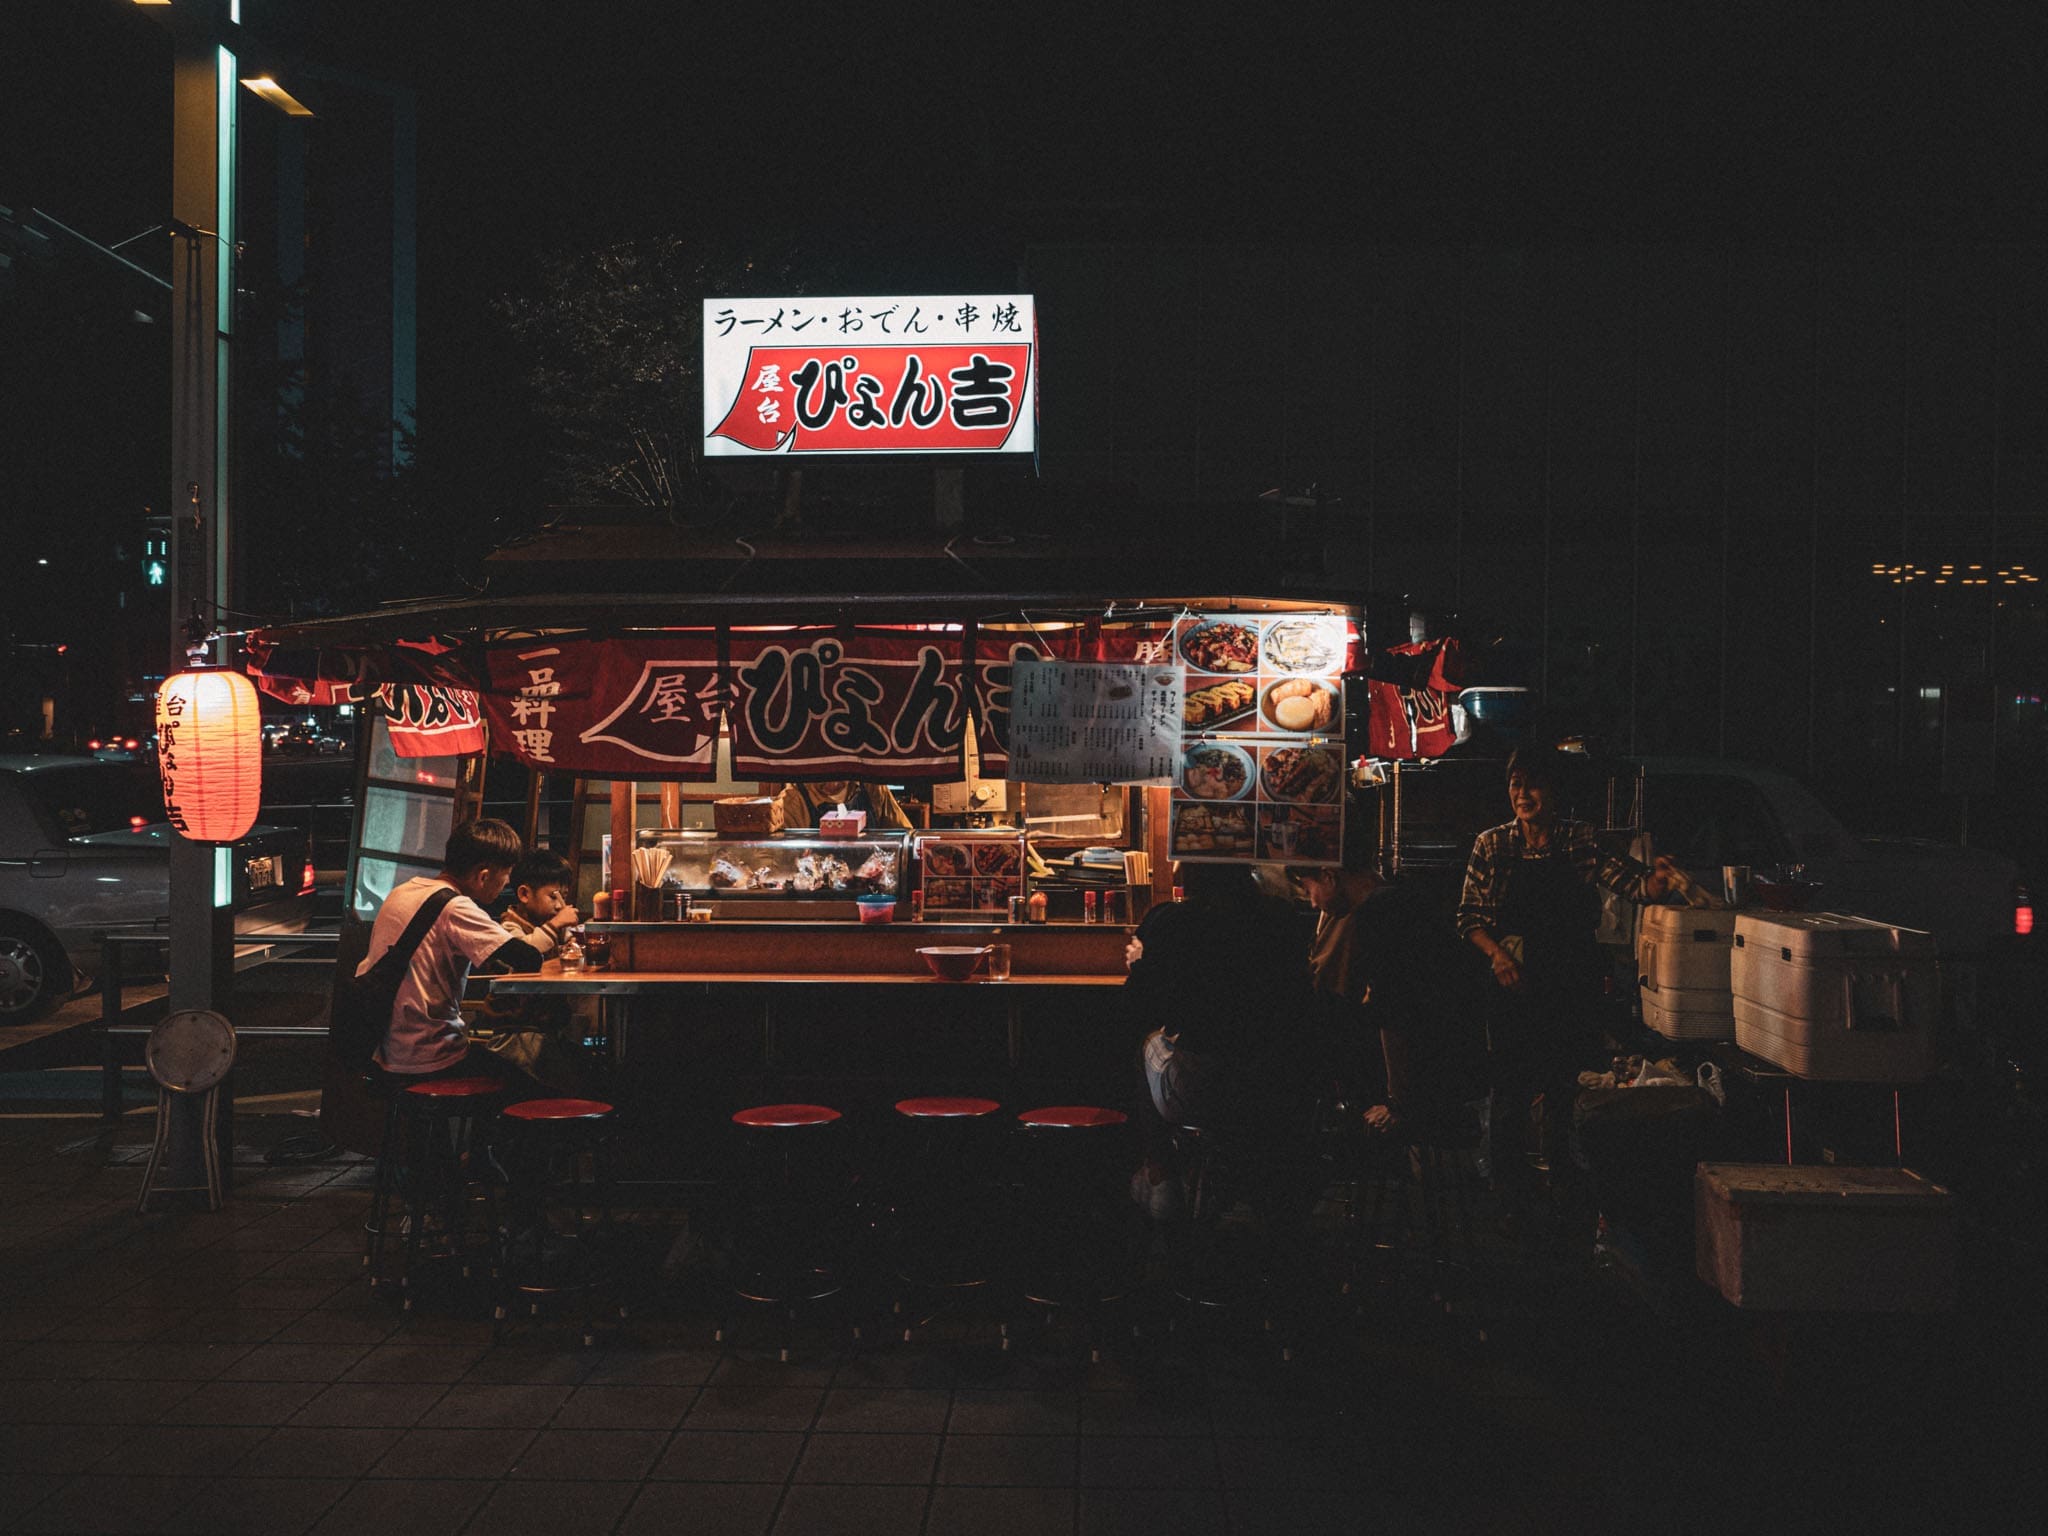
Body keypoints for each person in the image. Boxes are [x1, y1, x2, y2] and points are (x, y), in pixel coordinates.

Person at [1456, 747, 1675, 1218]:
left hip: (1569, 981)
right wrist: (1496, 957)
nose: (1523, 794)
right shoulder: (1492, 845)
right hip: (1513, 982)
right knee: (1510, 1092)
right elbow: (1470, 918)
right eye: (1516, 784)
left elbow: (1634, 886)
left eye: (1532, 785)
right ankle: (1510, 1194)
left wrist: (1658, 881)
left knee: (1562, 1086)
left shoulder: (1582, 841)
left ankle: (1565, 1189)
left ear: (1554, 792)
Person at [1125, 862, 1318, 1215]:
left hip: (1202, 1089)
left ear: (1191, 875)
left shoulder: (1171, 921)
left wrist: (1140, 962)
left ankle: (1160, 1171)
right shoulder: (1282, 918)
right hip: (1278, 1088)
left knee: (1147, 1044)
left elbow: (1139, 1005)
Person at [359, 818, 552, 1089]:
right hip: (430, 1055)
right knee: (529, 1084)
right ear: (483, 876)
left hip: (386, 1050)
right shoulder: (455, 907)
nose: (506, 881)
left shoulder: (402, 892)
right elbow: (527, 957)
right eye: (505, 874)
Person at [472, 848, 594, 1092]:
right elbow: (526, 952)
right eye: (553, 897)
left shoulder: (546, 927)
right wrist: (556, 925)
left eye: (564, 897)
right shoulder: (508, 927)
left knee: (589, 1068)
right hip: (515, 1036)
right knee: (573, 1083)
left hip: (543, 1032)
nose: (560, 906)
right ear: (525, 894)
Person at [775, 778, 912, 830]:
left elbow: (904, 833)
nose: (833, 783)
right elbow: (781, 860)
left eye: (839, 773)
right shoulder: (792, 800)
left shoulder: (872, 787)